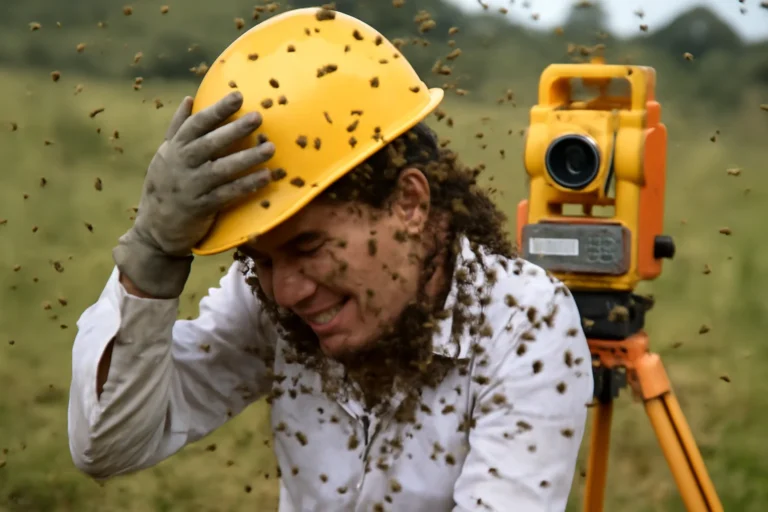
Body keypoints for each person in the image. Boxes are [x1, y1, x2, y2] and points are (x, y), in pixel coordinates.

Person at [67, 7, 594, 512]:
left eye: (309, 247)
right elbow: (108, 446)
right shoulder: (268, 294)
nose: (286, 293)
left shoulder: (523, 321)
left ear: (409, 203)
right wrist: (152, 252)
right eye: (260, 260)